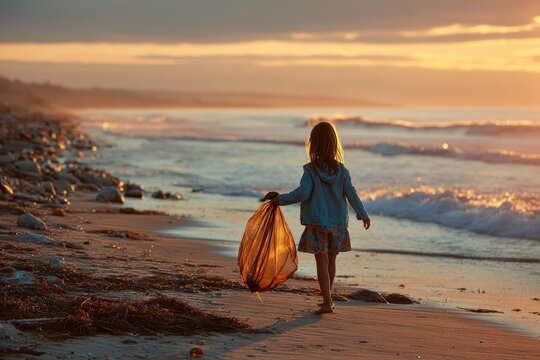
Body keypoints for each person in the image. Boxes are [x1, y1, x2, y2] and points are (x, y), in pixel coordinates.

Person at [264, 121, 371, 314]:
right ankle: (328, 299)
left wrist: (280, 200)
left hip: (317, 225)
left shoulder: (311, 170)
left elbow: (302, 193)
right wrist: (362, 214)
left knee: (321, 262)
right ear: (334, 144)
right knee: (331, 261)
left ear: (313, 144)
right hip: (338, 226)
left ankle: (328, 302)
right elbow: (352, 194)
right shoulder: (342, 171)